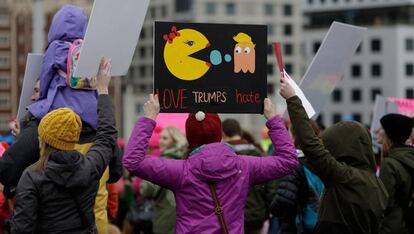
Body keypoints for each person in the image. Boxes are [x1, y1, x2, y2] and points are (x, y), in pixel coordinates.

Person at [0, 6, 122, 233]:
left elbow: (7, 168)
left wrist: (33, 115)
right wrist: (102, 92)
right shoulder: (88, 53)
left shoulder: (37, 156)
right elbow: (115, 169)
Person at [123, 95, 298, 233]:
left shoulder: (180, 171)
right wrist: (273, 119)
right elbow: (289, 160)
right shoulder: (244, 166)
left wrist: (149, 118)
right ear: (219, 135)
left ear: (189, 138)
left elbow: (132, 160)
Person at [10, 58, 117, 233]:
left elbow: (22, 228)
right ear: (74, 138)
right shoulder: (90, 167)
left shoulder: (32, 177)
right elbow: (107, 136)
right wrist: (103, 90)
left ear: (42, 138)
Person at [279, 79, 388, 233]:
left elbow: (310, 145)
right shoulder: (377, 184)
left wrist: (292, 99)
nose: (325, 149)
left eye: (328, 145)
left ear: (340, 147)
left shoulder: (344, 177)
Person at [222, 118, 275, 234]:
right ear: (240, 133)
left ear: (223, 134)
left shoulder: (222, 159)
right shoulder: (260, 155)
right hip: (257, 216)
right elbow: (270, 189)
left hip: (229, 217)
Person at [270, 120, 324, 234]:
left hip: (299, 226)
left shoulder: (293, 164)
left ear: (295, 137)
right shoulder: (326, 161)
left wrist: (272, 210)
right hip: (323, 223)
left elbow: (283, 201)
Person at [140, 126, 188, 234]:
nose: (160, 141)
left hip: (165, 216)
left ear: (175, 140)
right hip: (186, 216)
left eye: (165, 138)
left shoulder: (161, 164)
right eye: (160, 138)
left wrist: (146, 175)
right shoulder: (186, 160)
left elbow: (146, 190)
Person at [378, 113, 414, 233]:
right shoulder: (409, 157)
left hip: (391, 226)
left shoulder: (389, 163)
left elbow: (384, 202)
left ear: (389, 134)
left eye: (383, 128)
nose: (379, 131)